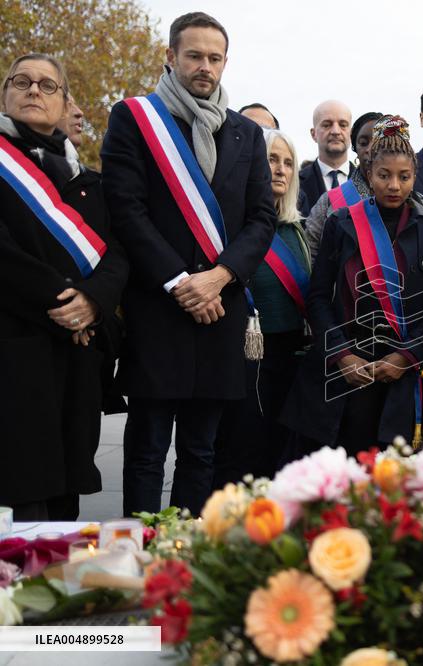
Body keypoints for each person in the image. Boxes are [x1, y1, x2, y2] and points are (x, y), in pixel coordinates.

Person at [101, 12, 276, 515]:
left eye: (214, 58)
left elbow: (261, 217)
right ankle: (137, 551)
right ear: (171, 56)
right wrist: (182, 283)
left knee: (202, 452)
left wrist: (219, 278)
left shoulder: (245, 132)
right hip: (159, 309)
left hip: (221, 310)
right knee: (147, 450)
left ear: (225, 62)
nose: (204, 66)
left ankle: (185, 557)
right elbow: (126, 210)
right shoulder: (135, 118)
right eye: (194, 55)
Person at [0, 54, 128, 519]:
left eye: (47, 86)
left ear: (63, 101)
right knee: (20, 496)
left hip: (76, 359)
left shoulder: (86, 179)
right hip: (16, 352)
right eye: (22, 82)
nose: (34, 91)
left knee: (63, 501)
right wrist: (66, 308)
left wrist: (93, 301)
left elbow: (117, 252)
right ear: (6, 94)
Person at [282, 115, 423, 455]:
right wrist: (342, 355)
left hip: (402, 378)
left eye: (404, 177)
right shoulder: (342, 224)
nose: (393, 186)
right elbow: (318, 299)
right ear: (369, 174)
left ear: (415, 176)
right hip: (344, 375)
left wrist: (407, 357)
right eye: (384, 175)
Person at [213, 129, 309, 485]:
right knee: (241, 455)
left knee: (280, 455)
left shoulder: (297, 229)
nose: (281, 170)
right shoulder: (235, 225)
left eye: (288, 162)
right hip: (247, 357)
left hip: (291, 356)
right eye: (272, 159)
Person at [303, 110, 382, 261]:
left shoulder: (414, 200)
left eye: (378, 142)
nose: (370, 149)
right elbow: (310, 258)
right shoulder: (328, 201)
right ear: (355, 148)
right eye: (363, 143)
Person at [298, 99, 354, 216]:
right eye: (327, 125)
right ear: (313, 134)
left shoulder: (369, 183)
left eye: (343, 125)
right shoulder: (295, 184)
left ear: (351, 133)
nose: (335, 131)